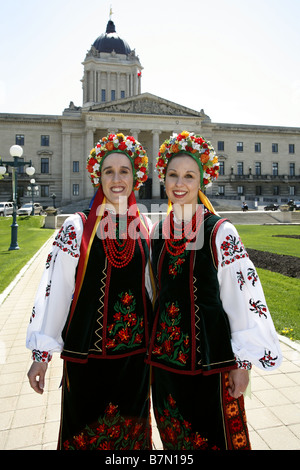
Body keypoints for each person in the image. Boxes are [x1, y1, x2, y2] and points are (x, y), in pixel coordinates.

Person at [147, 131, 282, 450]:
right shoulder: (156, 231)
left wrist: (243, 363)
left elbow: (243, 300)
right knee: (174, 443)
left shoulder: (219, 231)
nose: (180, 183)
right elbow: (155, 296)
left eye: (189, 176)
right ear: (163, 180)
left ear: (201, 181)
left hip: (212, 366)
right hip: (166, 370)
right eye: (173, 175)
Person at [27, 133, 153, 450]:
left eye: (124, 170)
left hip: (135, 365)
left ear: (136, 176)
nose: (116, 178)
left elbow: (154, 292)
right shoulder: (78, 227)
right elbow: (53, 292)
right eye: (108, 171)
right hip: (87, 361)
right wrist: (41, 355)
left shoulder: (146, 226)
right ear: (98, 176)